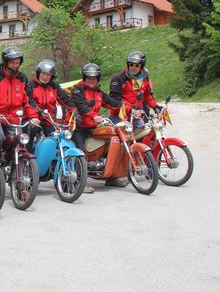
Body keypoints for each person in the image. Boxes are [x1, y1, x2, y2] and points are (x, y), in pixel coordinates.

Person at [69, 62, 123, 193]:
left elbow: (110, 102)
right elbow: (81, 106)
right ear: (84, 78)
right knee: (80, 151)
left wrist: (126, 107)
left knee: (113, 143)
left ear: (97, 79)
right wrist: (94, 116)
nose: (91, 80)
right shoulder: (77, 90)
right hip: (79, 127)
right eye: (88, 78)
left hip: (94, 127)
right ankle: (78, 182)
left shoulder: (98, 92)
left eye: (94, 78)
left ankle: (111, 177)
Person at [0, 46, 40, 158]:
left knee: (21, 140)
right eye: (12, 63)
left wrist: (33, 117)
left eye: (17, 63)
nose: (15, 65)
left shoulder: (22, 79)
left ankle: (10, 163)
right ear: (6, 62)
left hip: (13, 120)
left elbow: (29, 101)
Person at [28, 59, 80, 139]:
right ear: (39, 73)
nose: (45, 77)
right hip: (34, 119)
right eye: (43, 73)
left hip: (49, 120)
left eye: (48, 75)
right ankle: (29, 151)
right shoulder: (30, 86)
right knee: (29, 137)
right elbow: (28, 101)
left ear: (52, 76)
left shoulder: (54, 87)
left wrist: (74, 111)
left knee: (57, 139)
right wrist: (37, 110)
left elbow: (66, 100)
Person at [109, 50, 162, 127]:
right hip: (119, 118)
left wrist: (155, 106)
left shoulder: (144, 78)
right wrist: (131, 110)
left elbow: (147, 96)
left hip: (136, 118)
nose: (133, 68)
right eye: (131, 65)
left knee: (148, 134)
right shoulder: (118, 79)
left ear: (141, 66)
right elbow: (115, 99)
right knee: (125, 138)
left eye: (137, 66)